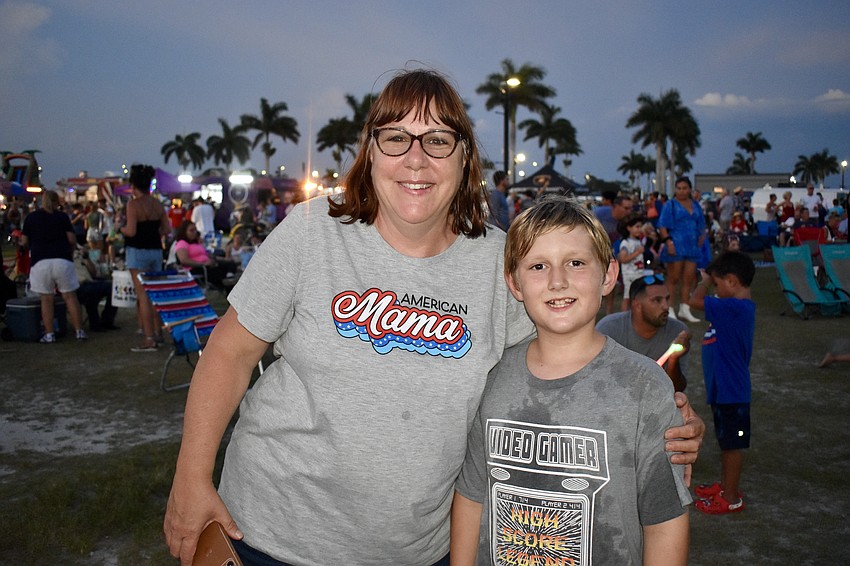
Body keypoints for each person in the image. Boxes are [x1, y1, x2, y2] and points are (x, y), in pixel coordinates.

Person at [162, 68, 704, 566]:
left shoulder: (503, 266)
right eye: (396, 137)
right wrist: (191, 476)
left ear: (464, 158)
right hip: (268, 536)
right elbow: (230, 354)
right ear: (370, 152)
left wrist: (656, 414)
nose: (415, 160)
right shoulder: (312, 232)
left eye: (438, 140)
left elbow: (566, 367)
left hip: (420, 550)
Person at [451, 196, 691, 565]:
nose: (557, 281)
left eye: (576, 263)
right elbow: (471, 498)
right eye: (538, 266)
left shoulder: (644, 386)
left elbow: (663, 521)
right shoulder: (492, 377)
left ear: (608, 275)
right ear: (514, 283)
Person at [686, 251, 755, 515]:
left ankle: (731, 496)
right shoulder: (731, 308)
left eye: (717, 284)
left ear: (732, 281)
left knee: (732, 446)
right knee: (726, 442)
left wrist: (703, 280)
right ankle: (725, 486)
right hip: (724, 391)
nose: (714, 289)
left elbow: (694, 300)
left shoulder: (735, 308)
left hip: (732, 392)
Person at [597, 273, 691, 392]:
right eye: (657, 300)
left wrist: (673, 360)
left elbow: (677, 389)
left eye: (667, 299)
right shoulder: (609, 329)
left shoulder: (678, 332)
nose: (666, 306)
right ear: (637, 305)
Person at [20, 190, 87, 343]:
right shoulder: (62, 217)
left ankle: (49, 334)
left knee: (46, 299)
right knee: (70, 297)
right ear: (57, 202)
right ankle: (79, 330)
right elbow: (71, 239)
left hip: (40, 261)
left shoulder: (31, 218)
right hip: (62, 259)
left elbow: (24, 242)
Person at [121, 164, 170, 352]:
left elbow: (131, 230)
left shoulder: (133, 205)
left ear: (134, 186)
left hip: (137, 251)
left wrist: (121, 229)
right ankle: (158, 333)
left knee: (143, 296)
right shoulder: (157, 204)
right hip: (155, 250)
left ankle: (149, 338)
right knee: (156, 294)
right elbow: (167, 230)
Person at [658, 176, 706, 322]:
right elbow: (662, 226)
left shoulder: (696, 205)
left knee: (689, 278)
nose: (681, 191)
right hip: (676, 245)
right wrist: (668, 242)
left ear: (689, 189)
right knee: (673, 278)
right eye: (679, 188)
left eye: (684, 188)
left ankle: (685, 308)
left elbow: (701, 223)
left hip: (692, 246)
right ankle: (670, 308)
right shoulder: (670, 205)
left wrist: (702, 236)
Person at [173, 220, 237, 288]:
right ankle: (227, 282)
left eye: (195, 230)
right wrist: (203, 264)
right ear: (184, 232)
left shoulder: (196, 243)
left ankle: (229, 280)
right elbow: (184, 260)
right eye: (191, 231)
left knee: (230, 263)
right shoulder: (182, 243)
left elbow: (207, 255)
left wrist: (224, 259)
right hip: (196, 268)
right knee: (220, 272)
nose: (194, 233)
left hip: (208, 264)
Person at [74, 246, 119, 331]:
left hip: (90, 281)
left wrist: (87, 258)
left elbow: (93, 273)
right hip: (77, 285)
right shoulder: (63, 259)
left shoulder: (80, 255)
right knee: (90, 293)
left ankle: (107, 319)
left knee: (114, 288)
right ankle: (95, 323)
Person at [616, 213, 647, 311]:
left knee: (637, 295)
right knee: (627, 296)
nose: (639, 229)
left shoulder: (638, 241)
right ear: (629, 228)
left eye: (640, 227)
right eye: (637, 227)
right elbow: (623, 259)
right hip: (630, 274)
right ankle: (624, 315)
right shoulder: (626, 243)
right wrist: (637, 252)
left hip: (639, 273)